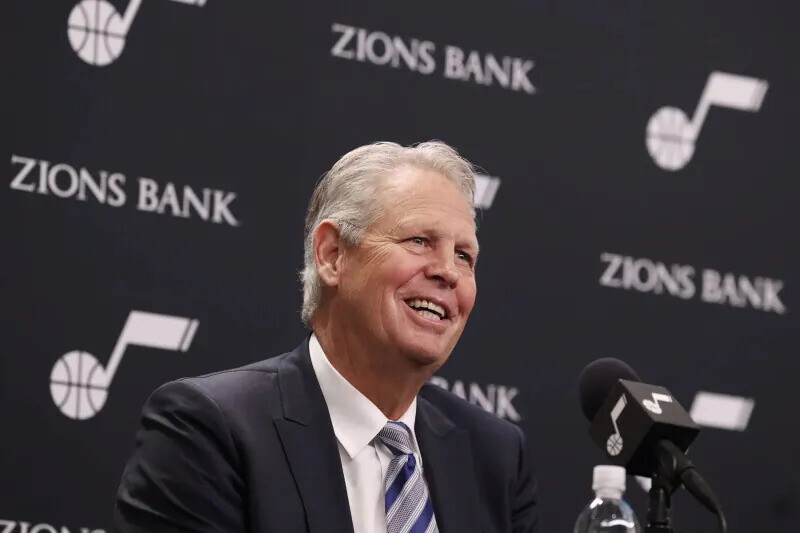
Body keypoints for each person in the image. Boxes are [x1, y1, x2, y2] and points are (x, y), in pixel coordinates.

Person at [113, 141, 538, 532]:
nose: (448, 271)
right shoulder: (209, 430)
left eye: (464, 255)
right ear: (332, 255)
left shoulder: (495, 457)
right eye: (419, 240)